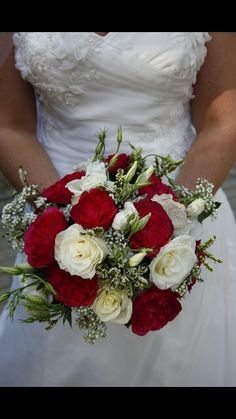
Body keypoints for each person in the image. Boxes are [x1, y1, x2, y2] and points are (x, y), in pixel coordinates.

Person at [0, 32, 236, 386]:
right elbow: (10, 125)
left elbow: (221, 122)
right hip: (55, 208)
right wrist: (60, 220)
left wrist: (172, 223)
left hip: (183, 213)